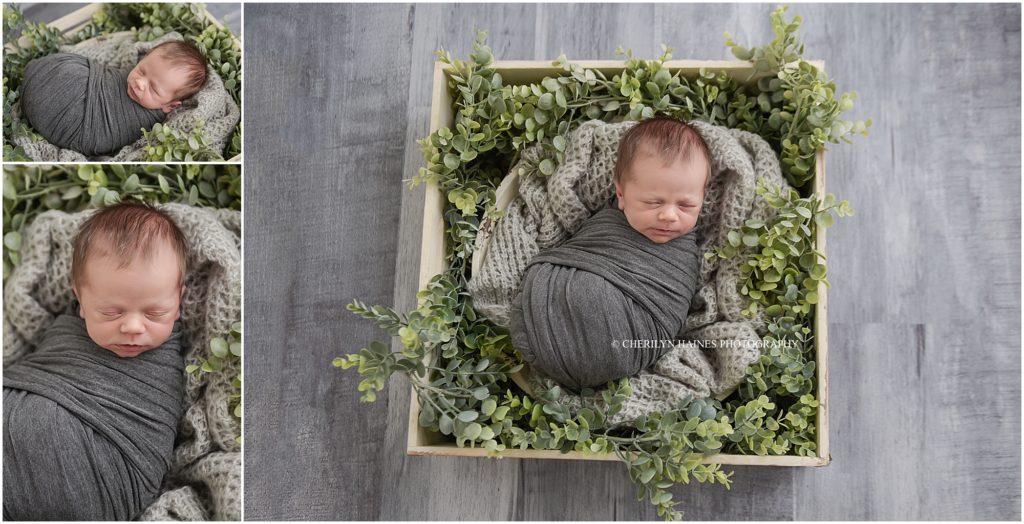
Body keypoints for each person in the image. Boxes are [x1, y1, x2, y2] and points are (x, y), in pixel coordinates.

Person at [510, 117, 711, 392]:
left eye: (687, 205)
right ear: (621, 195)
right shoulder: (607, 222)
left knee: (594, 298)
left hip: (627, 342)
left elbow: (672, 307)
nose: (668, 215)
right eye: (653, 202)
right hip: (542, 319)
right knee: (578, 290)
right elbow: (577, 249)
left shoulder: (683, 252)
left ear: (702, 199)